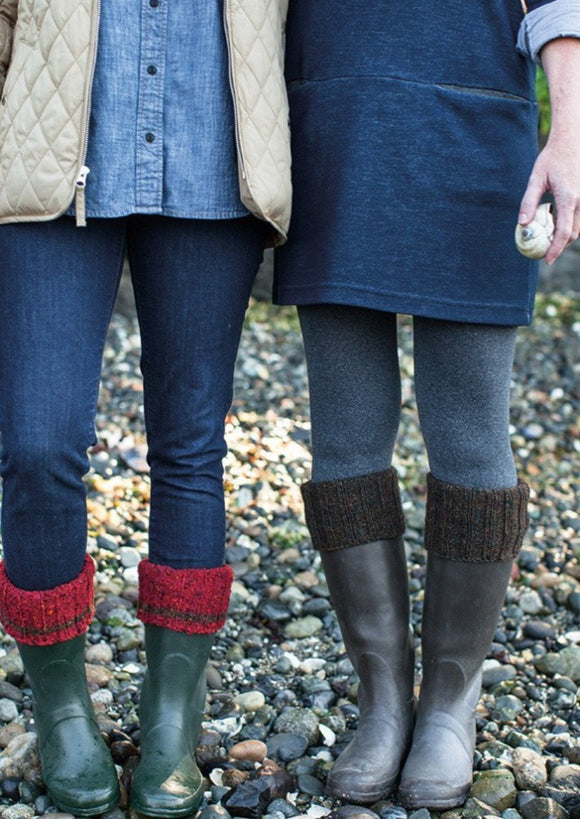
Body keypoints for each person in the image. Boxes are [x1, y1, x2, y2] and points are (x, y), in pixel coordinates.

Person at [275, 0, 580, 810]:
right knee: (342, 435)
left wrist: (570, 133)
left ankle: (450, 700)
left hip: (476, 135)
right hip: (332, 129)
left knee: (472, 435)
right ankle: (383, 699)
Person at [0, 1, 290, 816]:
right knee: (36, 442)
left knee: (191, 446)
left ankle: (172, 716)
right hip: (52, 169)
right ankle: (60, 707)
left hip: (213, 158)